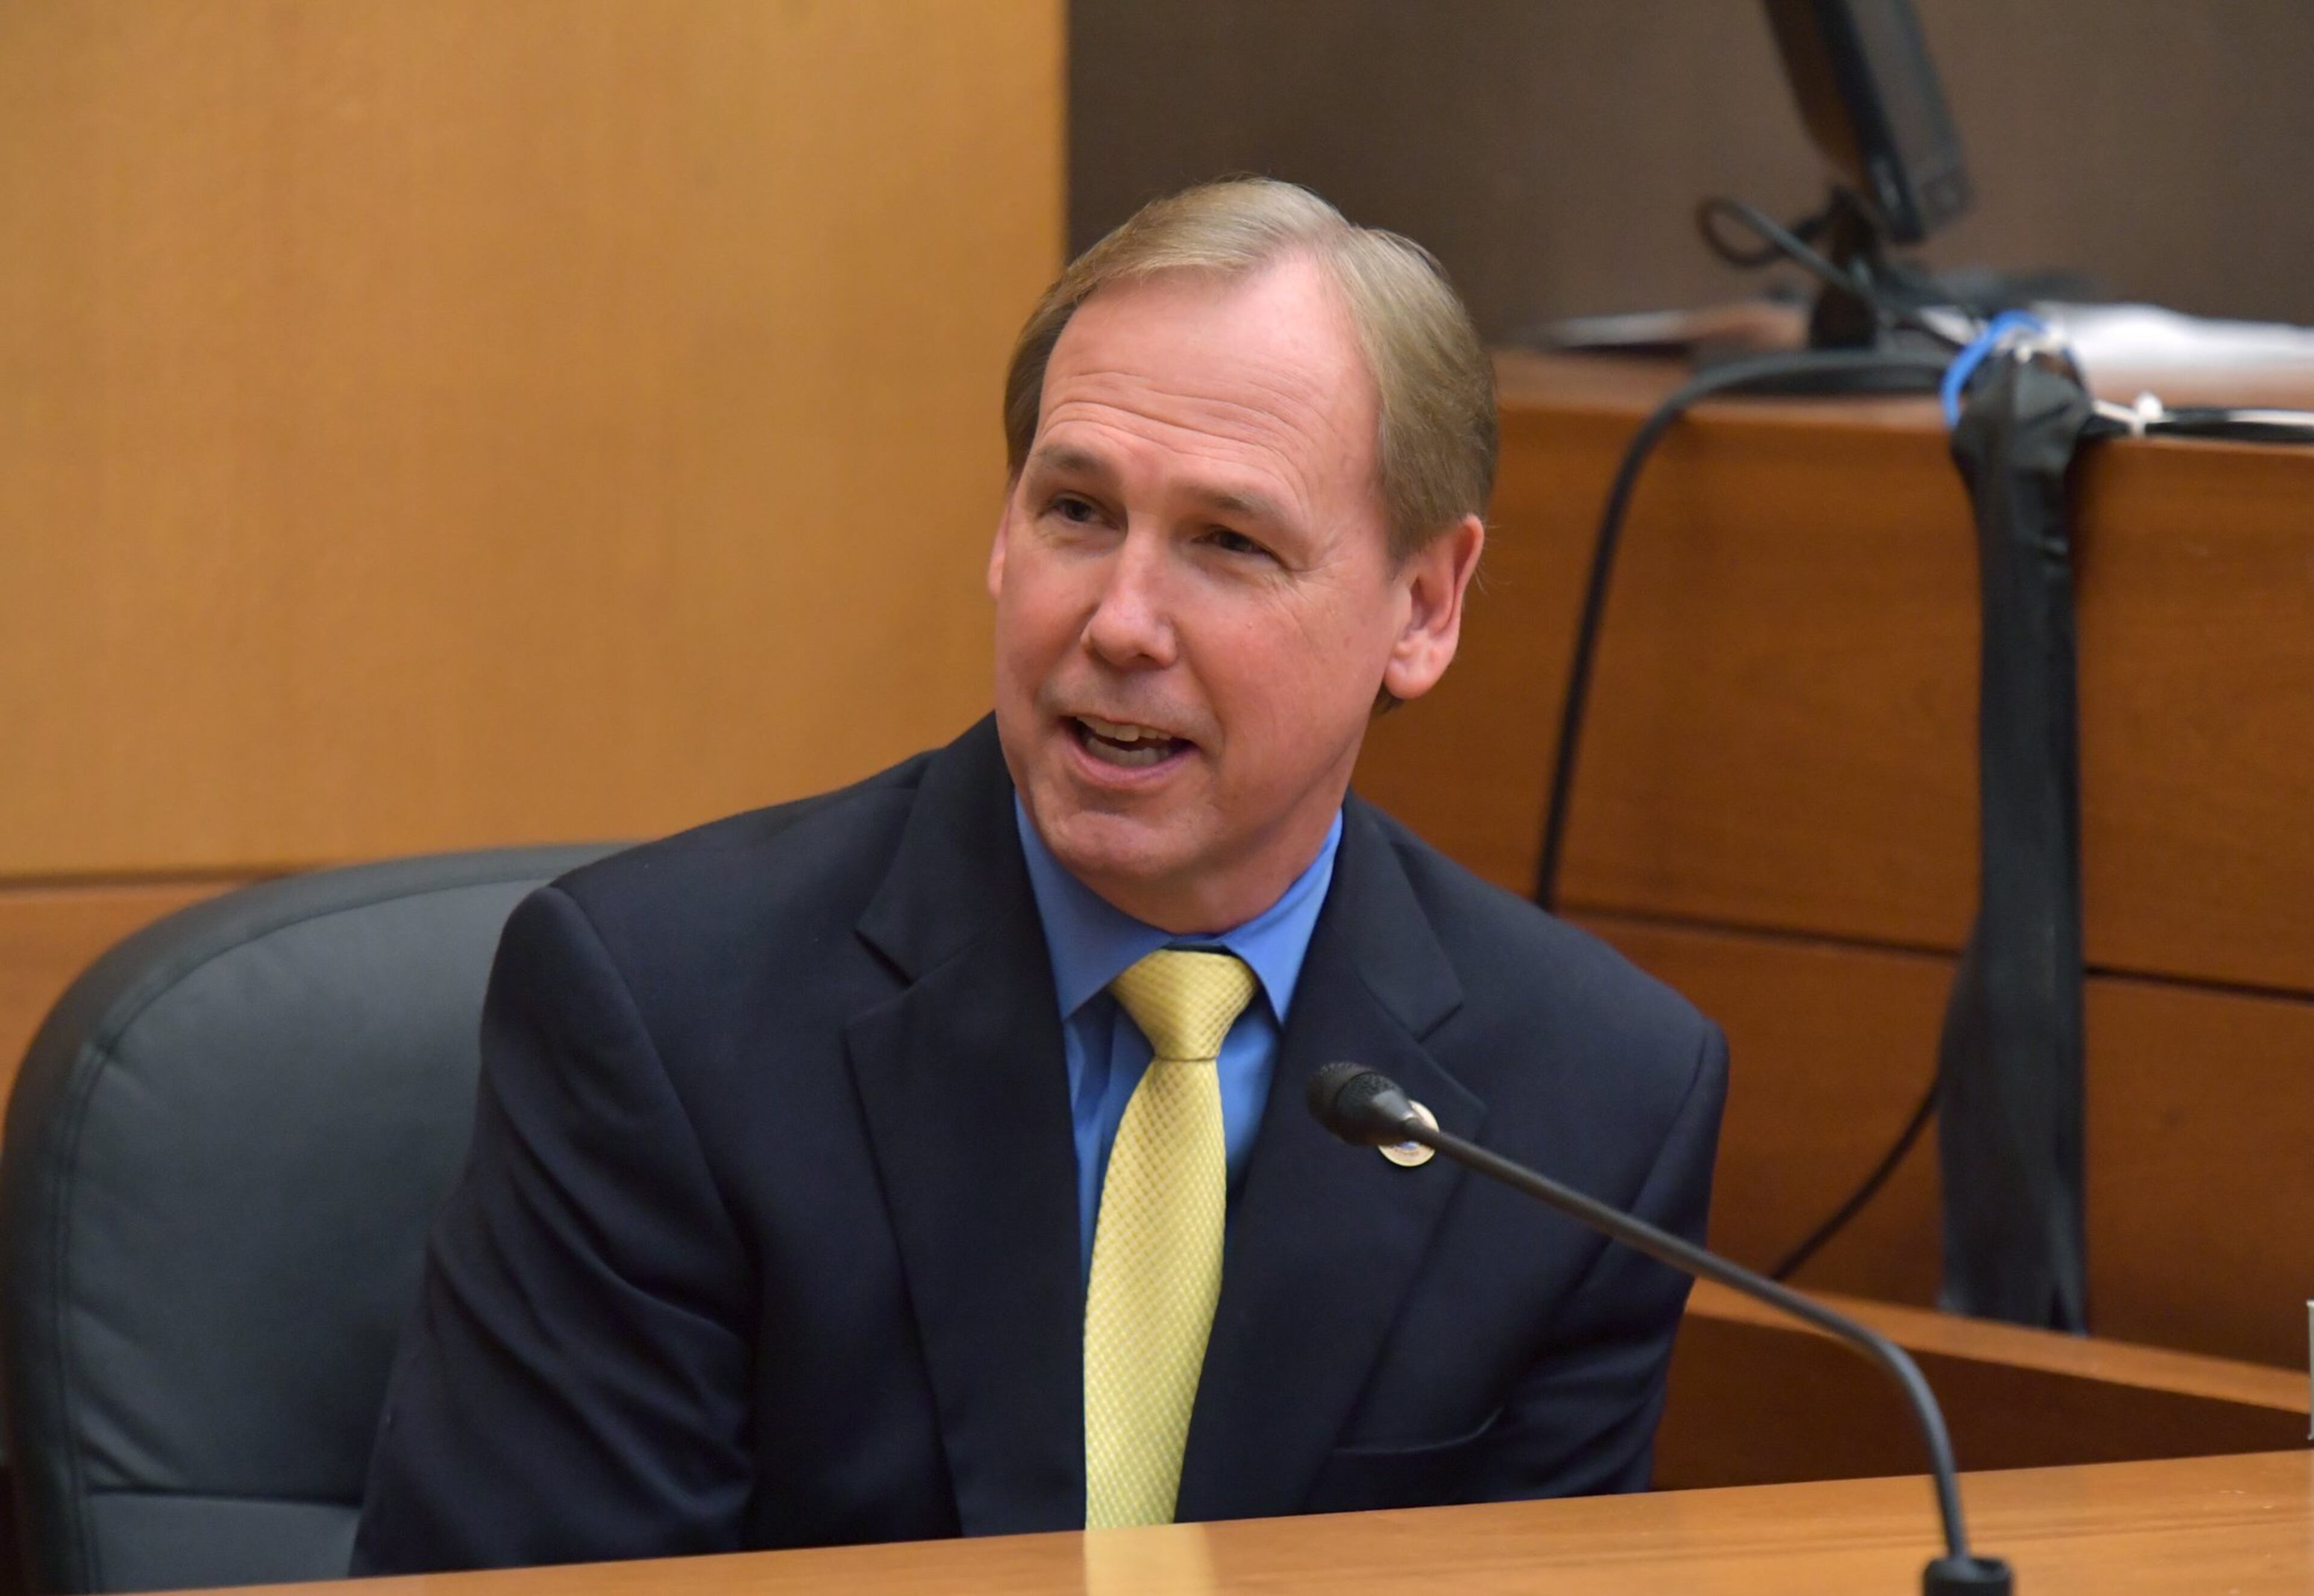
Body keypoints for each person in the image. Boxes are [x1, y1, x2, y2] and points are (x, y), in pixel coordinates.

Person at [352, 178, 1726, 1572]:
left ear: (1424, 606)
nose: (1121, 622)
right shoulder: (666, 1013)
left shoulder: (1590, 1103)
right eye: (1077, 509)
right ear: (1005, 535)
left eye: (1229, 542)